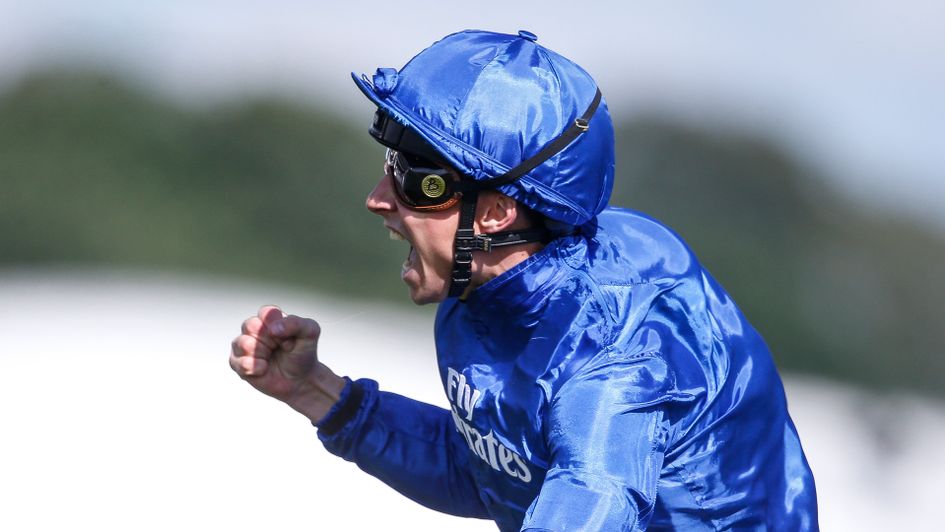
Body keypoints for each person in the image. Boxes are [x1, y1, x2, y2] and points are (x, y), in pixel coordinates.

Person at [229, 29, 819, 531]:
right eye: (389, 165)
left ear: (495, 212)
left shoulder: (614, 352)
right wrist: (317, 391)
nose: (378, 198)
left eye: (416, 181)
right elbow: (492, 473)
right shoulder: (478, 291)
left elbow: (592, 494)